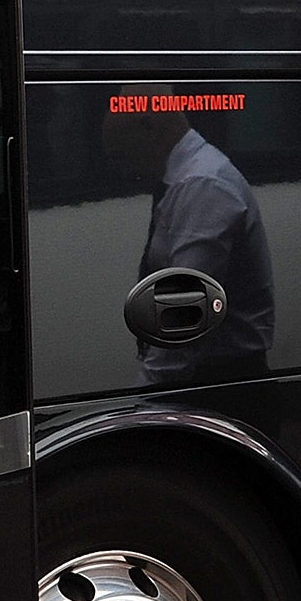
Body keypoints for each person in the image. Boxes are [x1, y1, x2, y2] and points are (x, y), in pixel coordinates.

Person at [103, 93, 274, 386]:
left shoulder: (203, 186)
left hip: (221, 386)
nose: (125, 170)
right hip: (215, 378)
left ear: (148, 127)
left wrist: (141, 400)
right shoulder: (190, 180)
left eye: (122, 154)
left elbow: (183, 318)